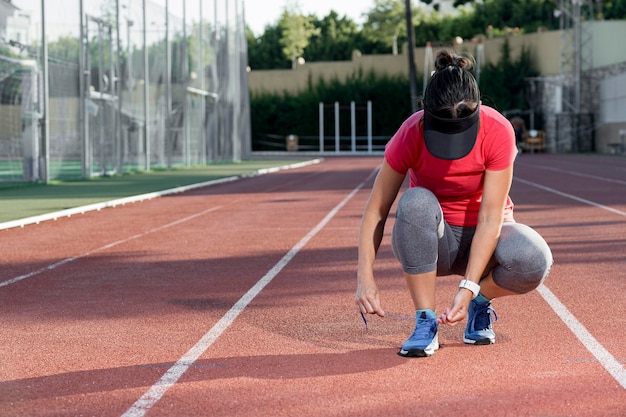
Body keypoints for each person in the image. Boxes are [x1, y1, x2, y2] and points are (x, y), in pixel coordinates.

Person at [355, 50, 553, 357]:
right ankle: (425, 321)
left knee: (534, 258)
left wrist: (471, 287)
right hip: (435, 241)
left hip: (486, 238)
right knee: (415, 201)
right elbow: (377, 211)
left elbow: (490, 219)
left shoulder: (498, 130)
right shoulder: (410, 133)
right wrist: (364, 278)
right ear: (425, 110)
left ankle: (480, 304)